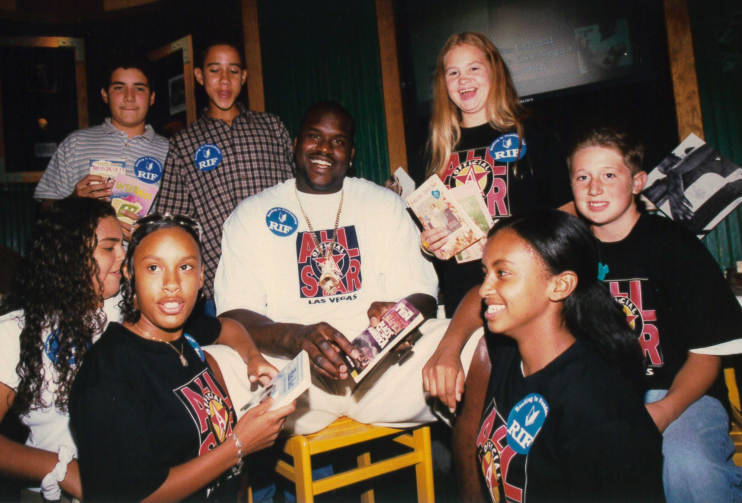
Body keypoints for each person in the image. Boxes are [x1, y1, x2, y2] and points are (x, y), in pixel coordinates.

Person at [208, 101, 464, 436]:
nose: (325, 149)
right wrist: (294, 337)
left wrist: (399, 318)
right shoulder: (252, 213)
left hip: (385, 375)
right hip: (294, 380)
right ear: (295, 144)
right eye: (314, 137)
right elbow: (234, 315)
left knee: (470, 341)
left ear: (352, 153)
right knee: (210, 363)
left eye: (338, 141)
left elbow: (423, 294)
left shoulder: (385, 203)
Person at [70, 213, 295, 502]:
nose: (172, 283)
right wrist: (238, 445)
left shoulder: (180, 334)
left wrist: (253, 357)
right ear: (130, 273)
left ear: (201, 277)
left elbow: (227, 327)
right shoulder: (108, 371)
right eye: (154, 267)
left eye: (185, 267)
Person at [569, 128, 742, 502]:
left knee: (688, 466)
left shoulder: (674, 245)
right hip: (602, 400)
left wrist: (662, 412)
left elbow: (707, 354)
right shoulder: (570, 255)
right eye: (583, 177)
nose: (594, 188)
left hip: (682, 393)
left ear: (638, 182)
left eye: (609, 175)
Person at [459, 210, 665, 502]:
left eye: (502, 273)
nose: (483, 289)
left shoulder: (596, 408)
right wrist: (448, 348)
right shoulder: (508, 356)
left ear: (560, 285)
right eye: (485, 273)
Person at [421, 32, 575, 317]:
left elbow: (567, 212)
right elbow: (430, 231)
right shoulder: (439, 149)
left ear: (495, 71)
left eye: (474, 68)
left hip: (527, 294)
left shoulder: (532, 133)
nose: (463, 79)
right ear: (444, 84)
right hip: (465, 299)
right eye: (453, 72)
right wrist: (430, 244)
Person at [152, 40, 295, 315]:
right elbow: (173, 220)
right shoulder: (184, 143)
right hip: (223, 285)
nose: (224, 80)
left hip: (285, 272)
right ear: (199, 76)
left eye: (233, 71)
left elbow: (298, 193)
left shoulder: (271, 127)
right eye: (215, 70)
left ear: (244, 76)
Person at [0, 198, 125, 501]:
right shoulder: (17, 329)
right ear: (70, 255)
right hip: (56, 493)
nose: (123, 255)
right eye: (109, 247)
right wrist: (64, 470)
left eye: (123, 244)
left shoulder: (136, 312)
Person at [34, 56, 169, 240]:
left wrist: (149, 233)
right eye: (119, 87)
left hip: (147, 262)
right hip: (87, 263)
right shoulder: (76, 144)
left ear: (152, 97)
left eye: (139, 88)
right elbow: (45, 211)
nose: (129, 97)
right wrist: (73, 202)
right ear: (105, 95)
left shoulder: (171, 151)